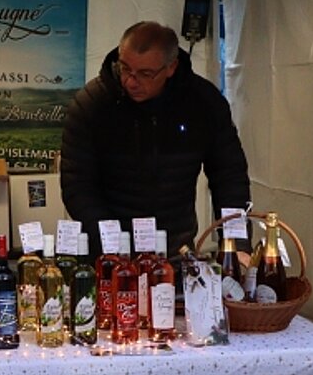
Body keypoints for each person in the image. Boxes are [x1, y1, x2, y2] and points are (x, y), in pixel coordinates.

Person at [60, 21, 250, 255]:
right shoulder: (91, 105)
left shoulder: (203, 103)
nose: (131, 81)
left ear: (171, 68)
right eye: (125, 68)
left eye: (145, 74)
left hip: (176, 249)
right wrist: (113, 244)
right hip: (108, 252)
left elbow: (230, 177)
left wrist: (236, 244)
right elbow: (77, 185)